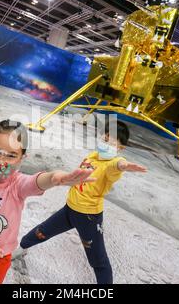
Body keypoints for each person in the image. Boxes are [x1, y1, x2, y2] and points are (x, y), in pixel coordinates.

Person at [0, 120, 96, 284]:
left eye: (11, 156)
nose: (1, 161)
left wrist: (53, 178)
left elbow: (35, 182)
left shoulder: (17, 184)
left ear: (22, 158)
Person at [17, 120, 147, 284]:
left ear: (120, 148)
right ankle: (22, 247)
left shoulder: (111, 164)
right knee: (44, 229)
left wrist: (122, 164)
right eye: (104, 138)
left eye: (110, 141)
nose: (104, 142)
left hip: (88, 217)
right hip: (69, 209)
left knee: (97, 258)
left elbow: (116, 166)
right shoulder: (93, 156)